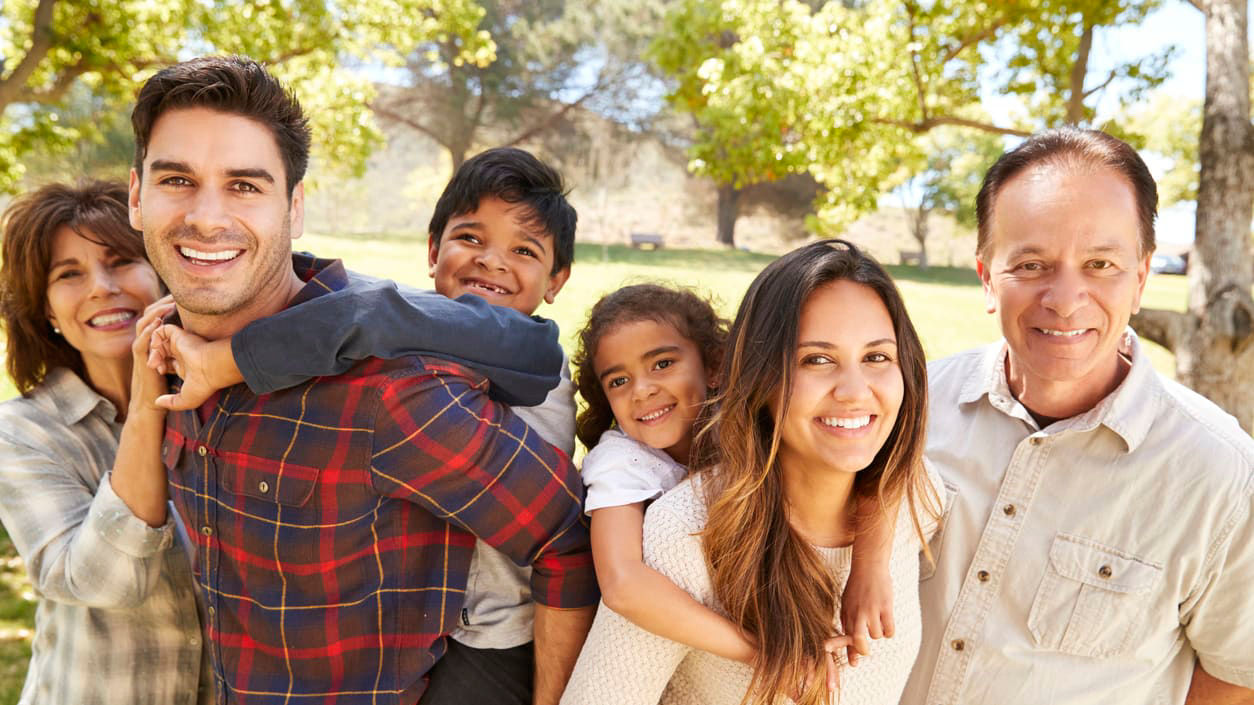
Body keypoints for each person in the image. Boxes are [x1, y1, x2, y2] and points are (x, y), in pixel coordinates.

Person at [126, 55, 597, 705]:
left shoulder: (395, 393)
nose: (207, 216)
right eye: (177, 178)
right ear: (135, 195)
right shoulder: (170, 346)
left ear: (293, 208)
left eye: (244, 185)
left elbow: (565, 535)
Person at [901, 128, 1254, 705]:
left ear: (1140, 279)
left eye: (1100, 264)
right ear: (988, 277)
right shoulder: (907, 408)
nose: (1065, 299)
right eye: (1033, 264)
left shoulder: (1220, 473)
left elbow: (1237, 673)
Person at [562, 240, 944, 705]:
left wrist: (871, 561)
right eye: (816, 359)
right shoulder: (682, 531)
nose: (853, 391)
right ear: (759, 376)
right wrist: (767, 654)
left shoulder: (915, 494)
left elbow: (898, 474)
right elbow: (624, 587)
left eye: (877, 357)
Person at [0, 181, 209, 704]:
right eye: (68, 274)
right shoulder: (21, 433)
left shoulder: (225, 405)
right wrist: (145, 404)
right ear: (46, 309)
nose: (100, 287)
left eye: (120, 261)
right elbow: (99, 583)